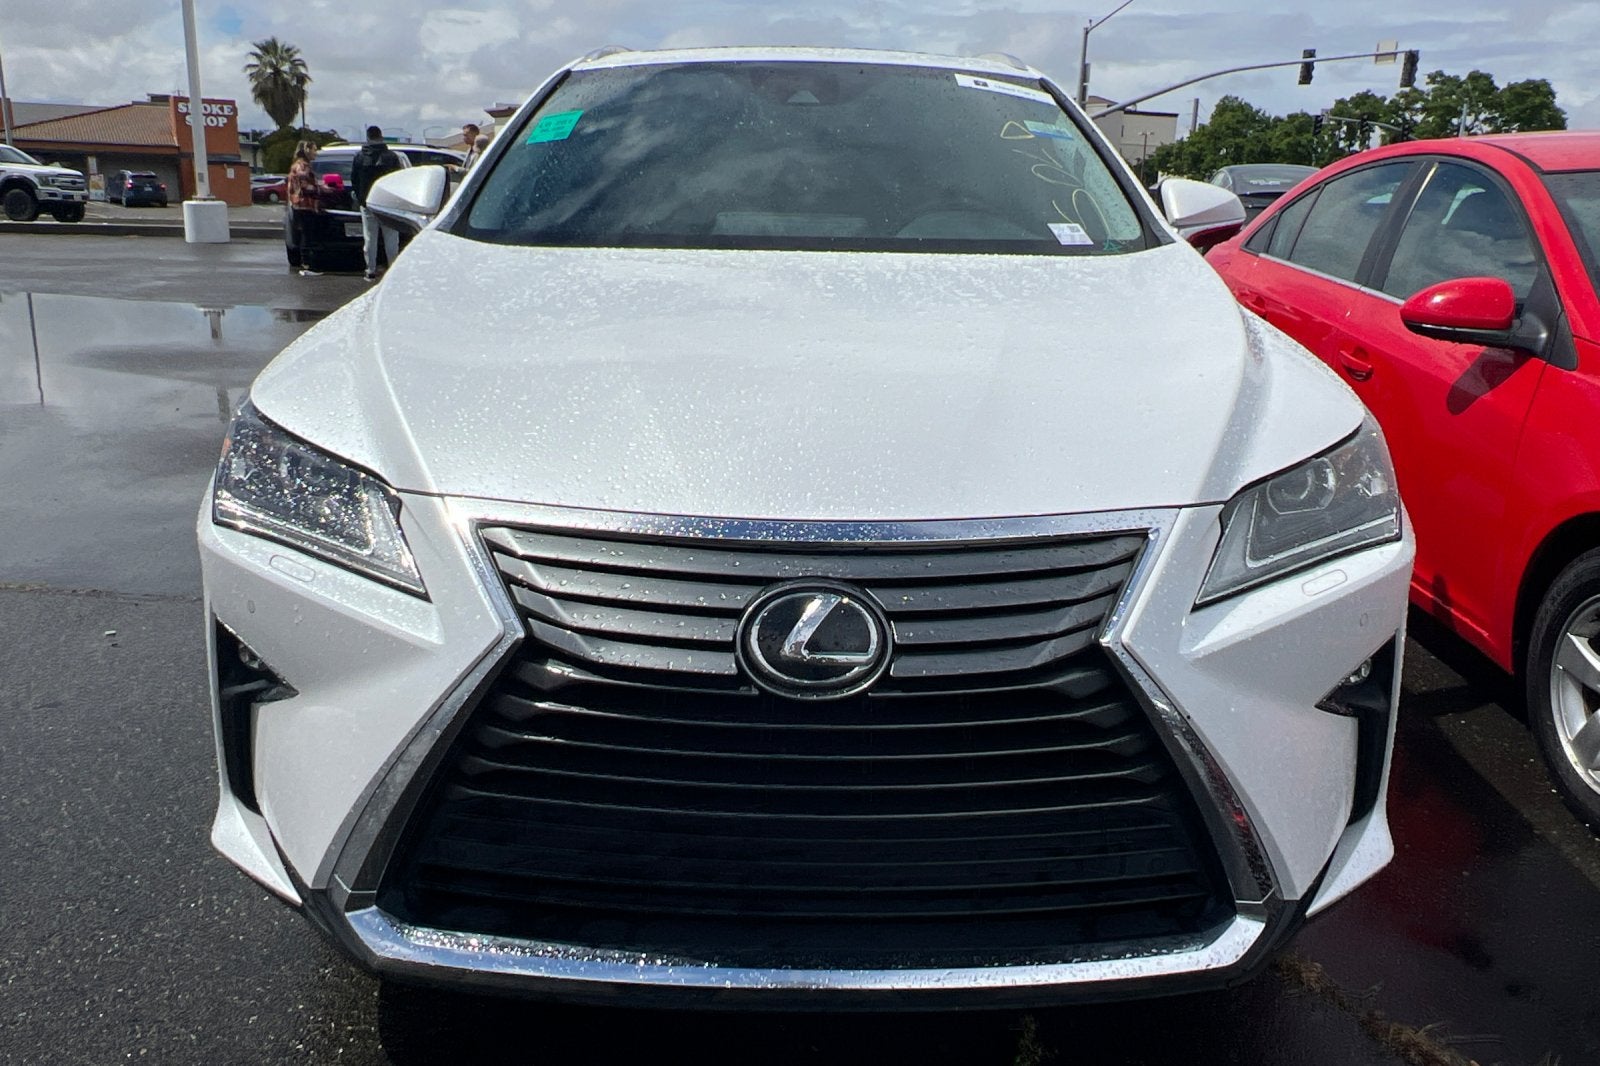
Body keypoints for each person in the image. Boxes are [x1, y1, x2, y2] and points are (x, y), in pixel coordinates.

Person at [351, 125, 403, 282]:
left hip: (368, 203)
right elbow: (399, 180)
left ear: (368, 137)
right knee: (391, 238)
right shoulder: (391, 157)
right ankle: (393, 270)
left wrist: (361, 199)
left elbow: (354, 180)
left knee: (370, 237)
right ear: (381, 136)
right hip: (388, 203)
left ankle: (370, 270)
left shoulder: (360, 157)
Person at [286, 141, 324, 277]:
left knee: (305, 235)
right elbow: (304, 187)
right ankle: (307, 265)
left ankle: (307, 264)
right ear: (307, 150)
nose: (316, 153)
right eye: (314, 149)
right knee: (307, 236)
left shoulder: (297, 165)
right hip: (305, 206)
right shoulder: (303, 166)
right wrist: (321, 189)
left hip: (299, 205)